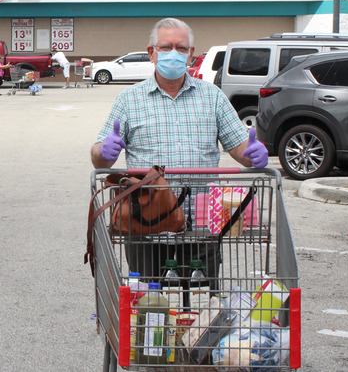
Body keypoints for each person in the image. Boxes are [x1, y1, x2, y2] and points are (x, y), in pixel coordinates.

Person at [90, 17, 269, 283]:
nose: (173, 53)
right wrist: (104, 151)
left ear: (191, 54)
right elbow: (99, 159)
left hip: (202, 224)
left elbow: (240, 148)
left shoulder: (213, 97)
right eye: (166, 47)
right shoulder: (129, 100)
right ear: (151, 52)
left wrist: (253, 153)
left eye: (181, 48)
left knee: (202, 299)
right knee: (148, 299)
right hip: (146, 223)